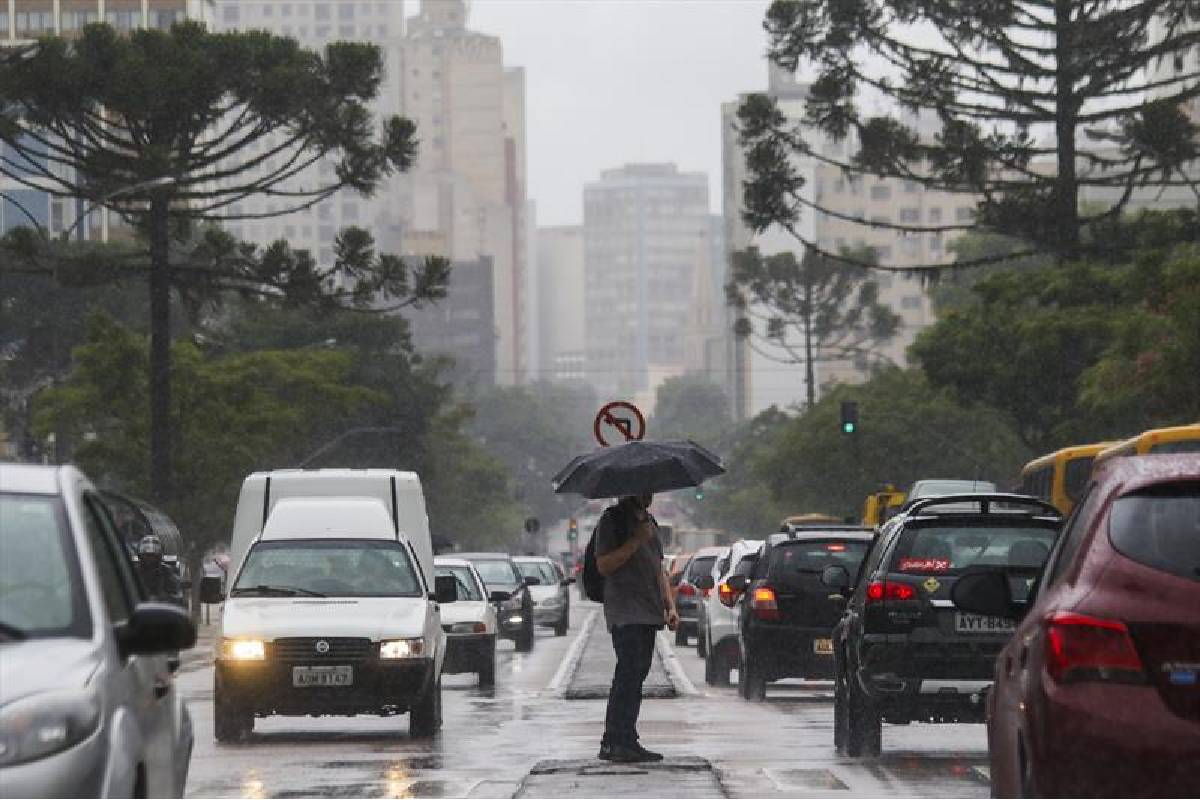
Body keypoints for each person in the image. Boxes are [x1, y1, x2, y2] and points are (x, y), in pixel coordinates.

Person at [594, 492, 680, 763]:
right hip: (625, 610)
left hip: (649, 611)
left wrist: (670, 605)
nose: (649, 495)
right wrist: (635, 541)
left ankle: (627, 739)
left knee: (637, 675)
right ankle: (614, 741)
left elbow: (658, 569)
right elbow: (604, 565)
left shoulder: (650, 522)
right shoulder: (612, 521)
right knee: (627, 673)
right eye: (644, 489)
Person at [136, 535, 182, 604]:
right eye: (147, 556)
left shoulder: (167, 572)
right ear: (140, 556)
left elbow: (177, 596)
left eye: (153, 556)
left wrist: (161, 598)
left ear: (159, 556)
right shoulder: (133, 572)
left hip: (162, 608)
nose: (149, 559)